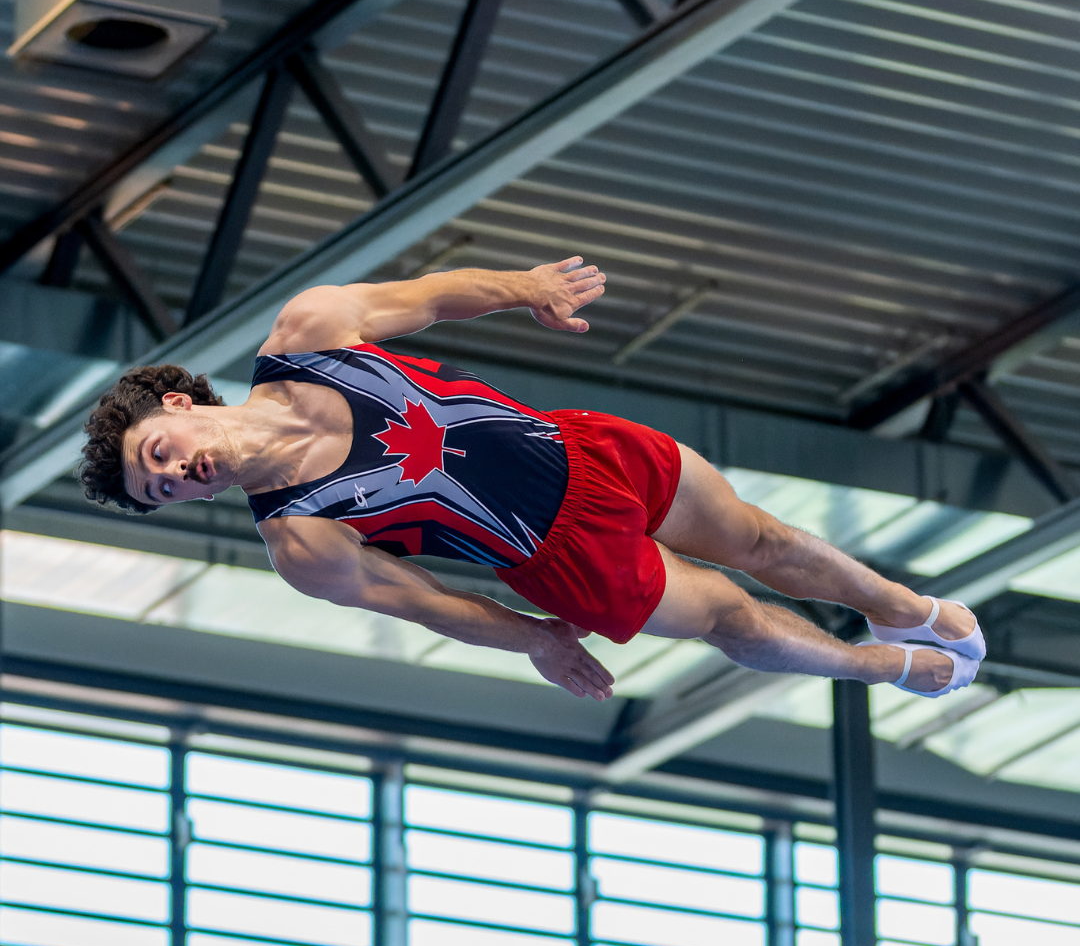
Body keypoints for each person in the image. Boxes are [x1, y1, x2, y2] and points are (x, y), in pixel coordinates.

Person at [79, 257, 984, 702]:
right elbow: (431, 605)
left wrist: (524, 284)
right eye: (167, 491)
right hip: (558, 555)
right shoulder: (301, 540)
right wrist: (534, 642)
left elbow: (431, 294)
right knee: (730, 616)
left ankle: (899, 604)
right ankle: (868, 665)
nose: (180, 474)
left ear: (179, 403)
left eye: (159, 452)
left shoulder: (311, 334)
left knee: (762, 539)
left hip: (584, 451)